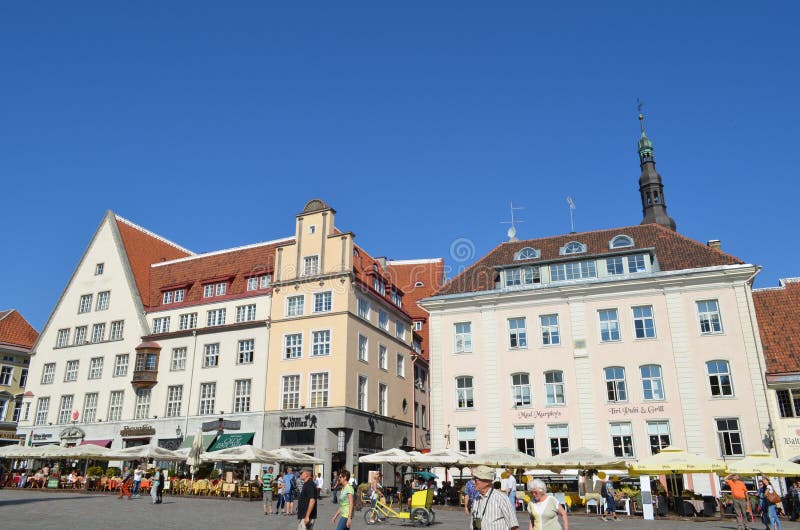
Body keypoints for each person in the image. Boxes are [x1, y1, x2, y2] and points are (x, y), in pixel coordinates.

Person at [470, 465, 519, 530]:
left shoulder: (501, 498)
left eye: (475, 479)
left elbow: (514, 526)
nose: (472, 482)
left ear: (487, 482)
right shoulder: (476, 499)